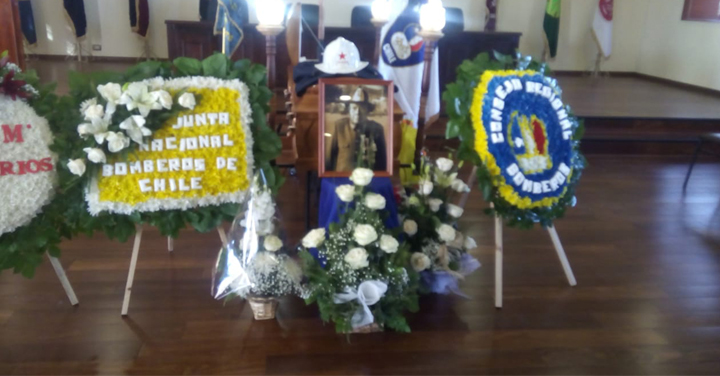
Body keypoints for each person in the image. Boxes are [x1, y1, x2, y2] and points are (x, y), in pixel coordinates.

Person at [328, 88, 387, 172]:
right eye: (354, 108)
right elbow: (330, 159)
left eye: (362, 108)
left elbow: (382, 163)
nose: (358, 112)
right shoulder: (339, 126)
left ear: (367, 110)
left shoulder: (377, 129)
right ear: (349, 110)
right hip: (342, 181)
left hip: (367, 181)